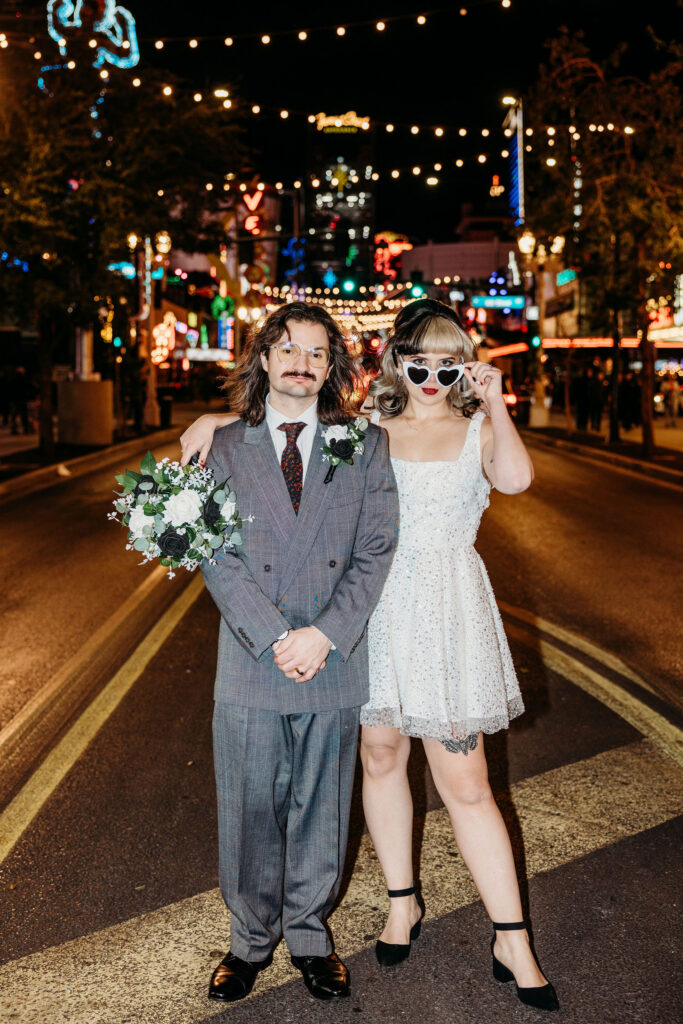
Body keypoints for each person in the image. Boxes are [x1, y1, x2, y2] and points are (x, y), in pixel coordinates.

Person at [181, 299, 559, 1013]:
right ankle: (400, 902)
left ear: (463, 366)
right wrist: (213, 421)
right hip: (374, 619)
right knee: (379, 759)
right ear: (394, 362)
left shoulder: (473, 428)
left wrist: (497, 404)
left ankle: (511, 936)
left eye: (446, 364)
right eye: (416, 361)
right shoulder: (368, 431)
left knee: (466, 781)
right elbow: (284, 430)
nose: (429, 375)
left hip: (441, 614)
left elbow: (511, 482)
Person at [182, 302, 399, 1005]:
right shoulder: (220, 447)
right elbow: (209, 550)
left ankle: (309, 935)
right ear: (264, 361)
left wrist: (325, 633)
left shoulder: (364, 444)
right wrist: (276, 637)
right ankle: (248, 941)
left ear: (331, 366)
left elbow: (375, 550)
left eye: (315, 352)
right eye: (287, 350)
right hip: (252, 656)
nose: (301, 363)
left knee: (321, 806)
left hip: (332, 654)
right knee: (247, 805)